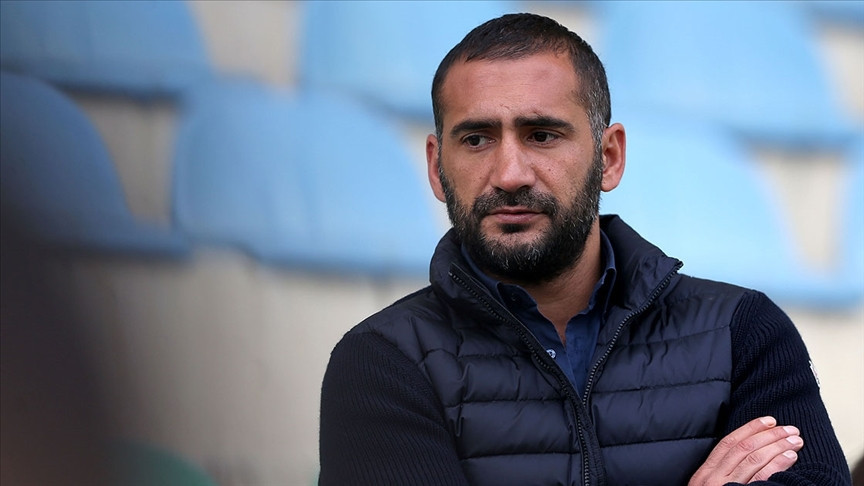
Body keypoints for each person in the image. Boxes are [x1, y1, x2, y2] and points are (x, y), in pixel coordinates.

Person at [318, 13, 851, 486]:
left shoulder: (742, 333)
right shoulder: (382, 363)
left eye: (542, 135)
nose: (509, 174)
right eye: (476, 139)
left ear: (609, 157)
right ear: (437, 168)